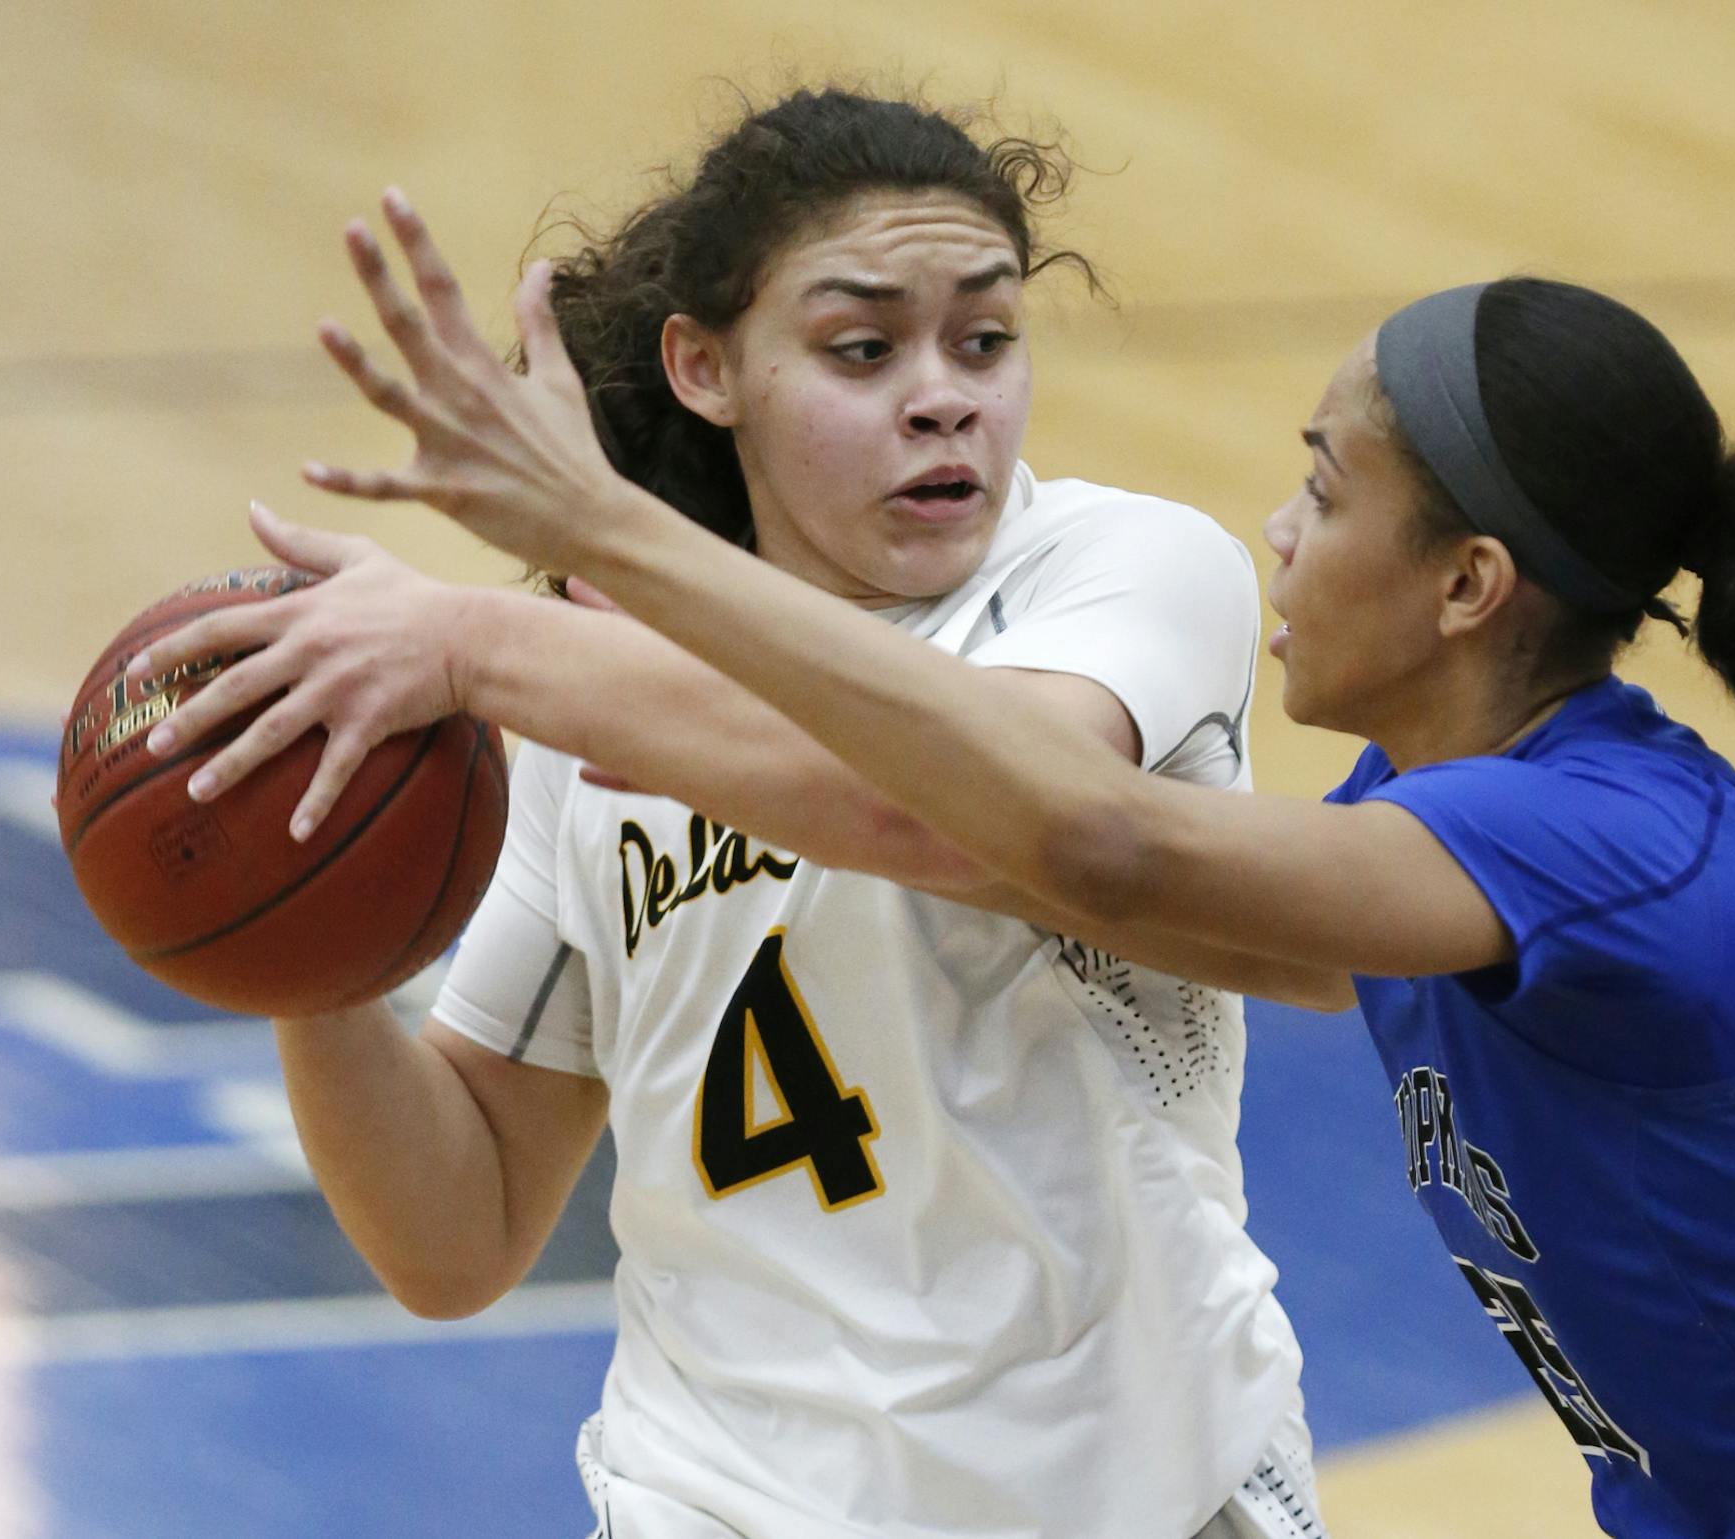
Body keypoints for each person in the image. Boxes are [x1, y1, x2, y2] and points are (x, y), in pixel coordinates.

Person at [187, 231, 1735, 1539]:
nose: (1277, 529)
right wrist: (633, 673)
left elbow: (1095, 839)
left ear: (1470, 587)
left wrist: (528, 609)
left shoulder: (1589, 848)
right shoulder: (1439, 814)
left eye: (1326, 493)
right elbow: (1024, 862)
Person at [130, 91, 1330, 1539]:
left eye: (986, 339)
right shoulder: (603, 697)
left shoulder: (1123, 573)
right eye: (862, 348)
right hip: (716, 1502)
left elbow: (996, 818)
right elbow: (455, 1237)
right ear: (707, 369)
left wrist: (483, 634)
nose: (944, 394)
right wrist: (300, 922)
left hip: (1145, 1496)